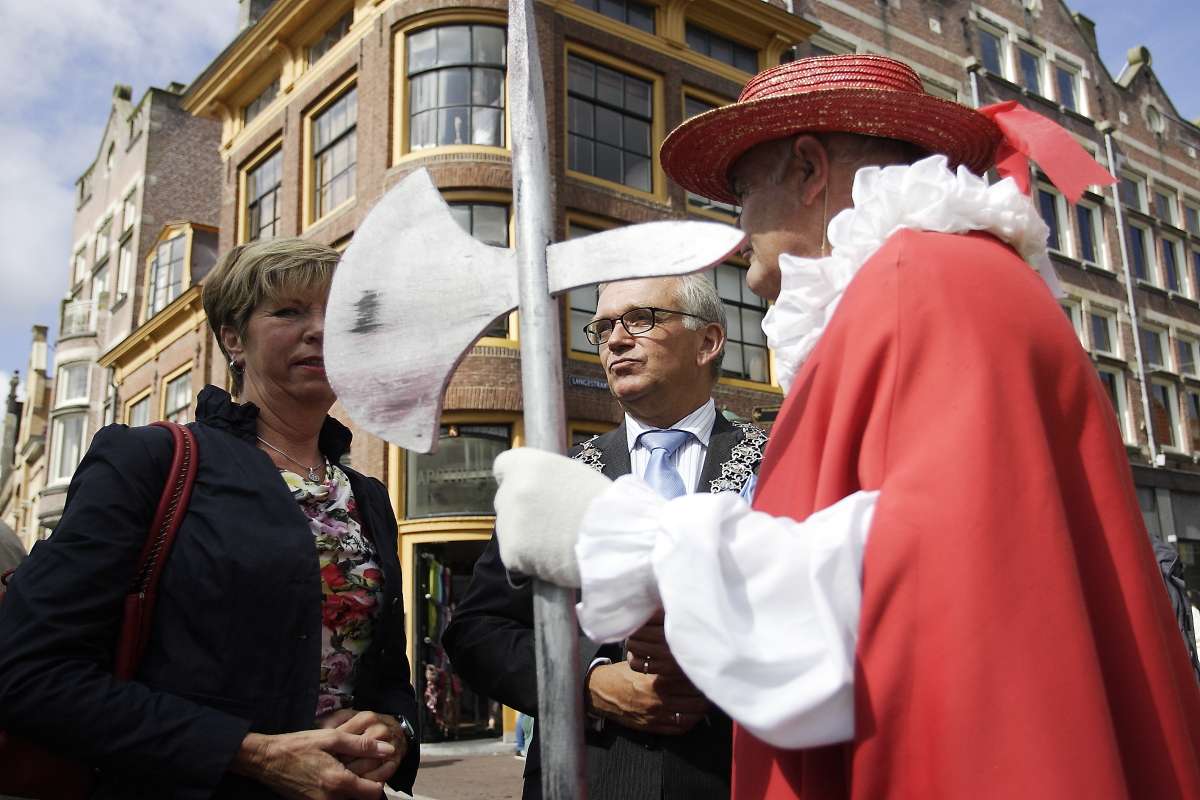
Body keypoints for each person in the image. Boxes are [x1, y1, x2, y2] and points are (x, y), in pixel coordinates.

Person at [488, 54, 1200, 798]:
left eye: (743, 193)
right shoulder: (922, 285)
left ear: (807, 169)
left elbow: (921, 588)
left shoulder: (922, 284)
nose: (739, 230)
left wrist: (617, 535)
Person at [0, 238, 421, 800]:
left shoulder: (367, 496)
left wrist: (394, 733)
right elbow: (28, 672)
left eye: (339, 314)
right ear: (233, 339)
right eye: (289, 311)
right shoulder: (147, 462)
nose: (320, 330)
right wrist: (252, 754)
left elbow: (389, 677)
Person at [443, 274, 768, 799]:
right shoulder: (556, 478)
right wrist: (586, 682)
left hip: (737, 776)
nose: (615, 340)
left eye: (640, 319)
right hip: (586, 777)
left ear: (707, 342)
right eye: (602, 328)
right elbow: (477, 631)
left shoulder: (780, 463)